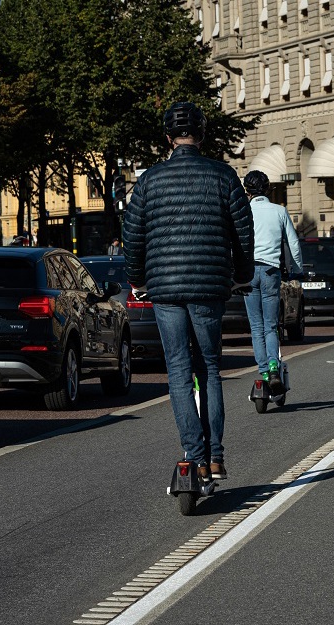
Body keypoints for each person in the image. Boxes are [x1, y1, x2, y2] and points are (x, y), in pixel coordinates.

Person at [123, 102, 254, 482]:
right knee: (209, 368)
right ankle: (215, 457)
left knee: (179, 372)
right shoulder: (223, 175)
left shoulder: (150, 180)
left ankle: (193, 456)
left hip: (164, 288)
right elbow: (242, 234)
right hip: (210, 284)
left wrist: (138, 280)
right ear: (203, 134)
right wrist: (241, 275)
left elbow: (133, 235)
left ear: (167, 138)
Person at [241, 169, 303, 394]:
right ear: (267, 189)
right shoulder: (280, 211)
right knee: (270, 325)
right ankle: (275, 365)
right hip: (270, 271)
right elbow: (293, 244)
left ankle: (264, 370)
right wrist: (296, 269)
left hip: (248, 272)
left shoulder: (243, 211)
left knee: (255, 326)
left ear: (247, 191)